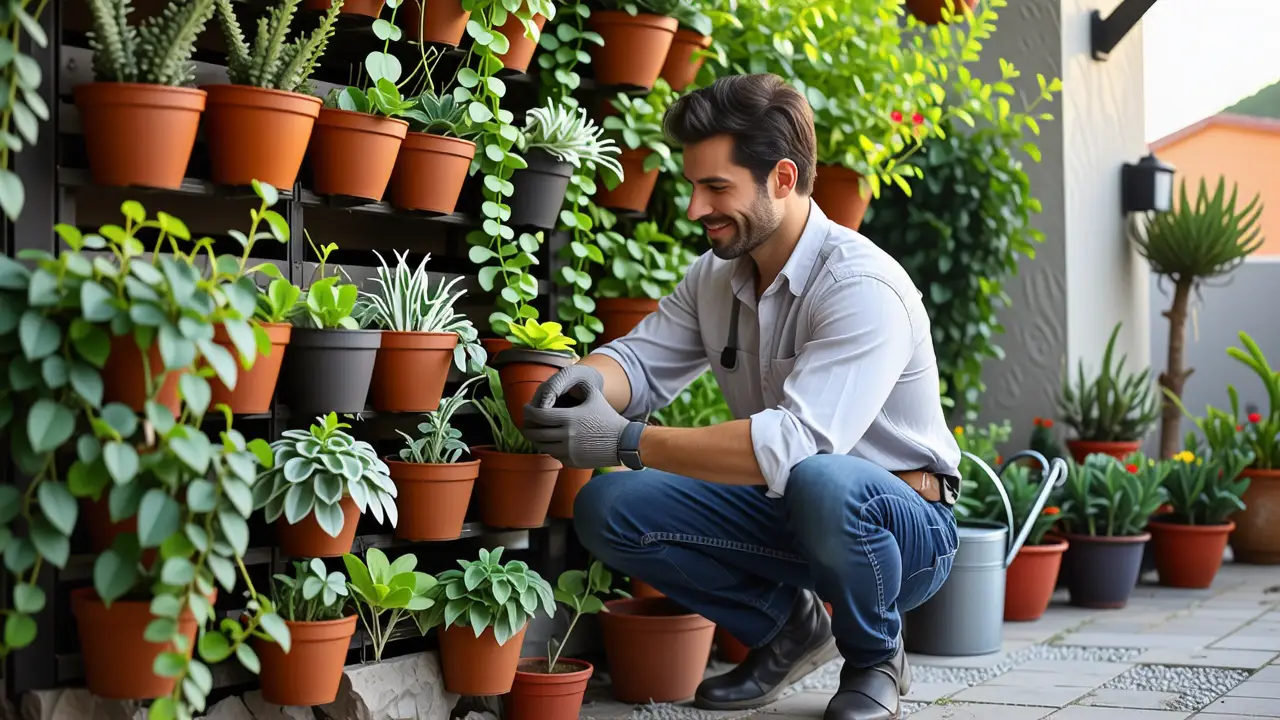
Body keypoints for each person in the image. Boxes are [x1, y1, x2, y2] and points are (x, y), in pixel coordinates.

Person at [521, 73, 962, 720]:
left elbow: (791, 445)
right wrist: (587, 378)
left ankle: (876, 657)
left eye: (716, 187)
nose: (696, 207)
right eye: (693, 185)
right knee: (608, 505)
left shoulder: (863, 287)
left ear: (782, 179)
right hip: (788, 509)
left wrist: (624, 440)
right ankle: (788, 629)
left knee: (821, 481)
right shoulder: (716, 277)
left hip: (901, 529)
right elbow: (640, 362)